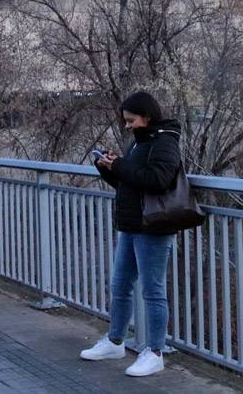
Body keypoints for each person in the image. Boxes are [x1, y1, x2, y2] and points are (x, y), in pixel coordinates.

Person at [80, 91, 180, 377]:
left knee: (153, 291)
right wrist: (108, 168)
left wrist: (120, 165)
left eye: (131, 120)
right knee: (120, 285)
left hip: (153, 227)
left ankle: (155, 351)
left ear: (147, 117)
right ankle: (115, 341)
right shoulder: (141, 143)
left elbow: (158, 180)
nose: (127, 126)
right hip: (132, 225)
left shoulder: (164, 141)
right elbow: (132, 183)